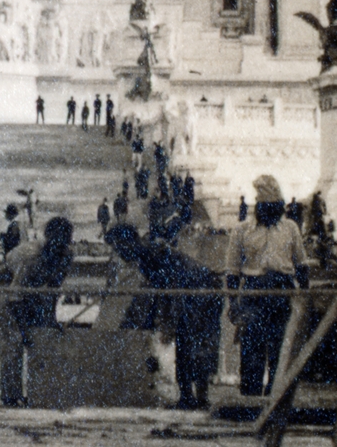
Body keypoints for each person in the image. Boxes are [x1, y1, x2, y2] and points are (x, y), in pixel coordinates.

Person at [106, 223, 222, 410]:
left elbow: (169, 288)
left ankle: (195, 399)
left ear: (128, 242)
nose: (118, 253)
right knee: (192, 344)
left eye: (118, 247)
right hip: (197, 289)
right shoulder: (147, 254)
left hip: (200, 289)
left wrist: (167, 321)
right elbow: (161, 291)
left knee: (193, 344)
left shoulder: (151, 254)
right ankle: (192, 398)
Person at [227, 174, 309, 397]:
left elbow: (302, 266)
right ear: (258, 206)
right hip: (253, 295)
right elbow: (233, 271)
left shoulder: (291, 229)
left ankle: (275, 402)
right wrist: (233, 302)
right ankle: (251, 401)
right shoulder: (242, 231)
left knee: (280, 350)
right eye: (266, 206)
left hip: (282, 294)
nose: (270, 211)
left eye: (275, 207)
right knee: (251, 350)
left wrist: (305, 296)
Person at [0, 216, 74, 406]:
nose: (59, 244)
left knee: (42, 335)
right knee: (13, 342)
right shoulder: (32, 257)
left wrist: (49, 320)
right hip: (8, 284)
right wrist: (24, 329)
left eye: (64, 240)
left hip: (31, 289)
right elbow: (15, 297)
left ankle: (39, 391)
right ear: (48, 238)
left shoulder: (66, 256)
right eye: (55, 239)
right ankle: (10, 395)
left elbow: (53, 290)